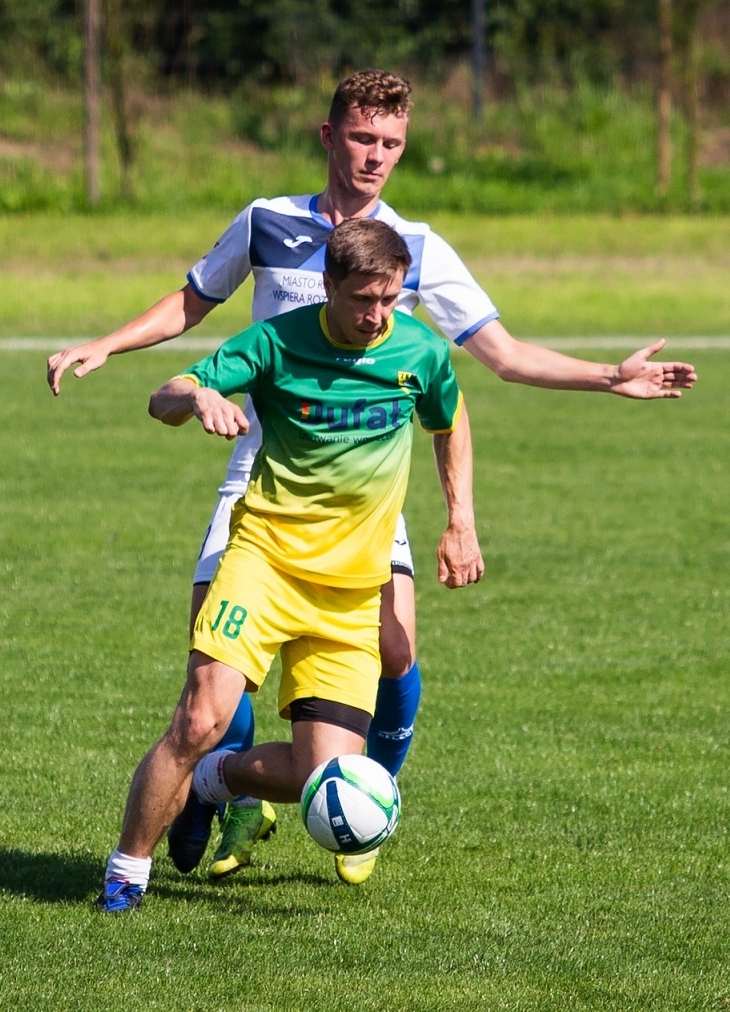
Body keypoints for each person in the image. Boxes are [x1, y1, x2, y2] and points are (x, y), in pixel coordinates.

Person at [48, 69, 695, 884]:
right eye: (362, 137)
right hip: (260, 475)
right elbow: (191, 302)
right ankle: (224, 792)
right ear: (330, 136)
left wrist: (609, 377)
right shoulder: (268, 222)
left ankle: (362, 797)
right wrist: (107, 344)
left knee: (397, 645)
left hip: (365, 493)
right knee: (211, 678)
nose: (376, 155)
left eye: (391, 142)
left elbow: (500, 355)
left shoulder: (416, 248)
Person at [99, 218, 482, 912]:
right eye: (362, 298)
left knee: (322, 777)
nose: (376, 315)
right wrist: (198, 396)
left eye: (389, 299)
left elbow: (448, 421)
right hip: (265, 566)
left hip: (351, 595)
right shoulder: (276, 341)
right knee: (198, 719)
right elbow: (164, 395)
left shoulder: (421, 352)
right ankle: (126, 874)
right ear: (328, 284)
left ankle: (213, 782)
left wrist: (461, 520)